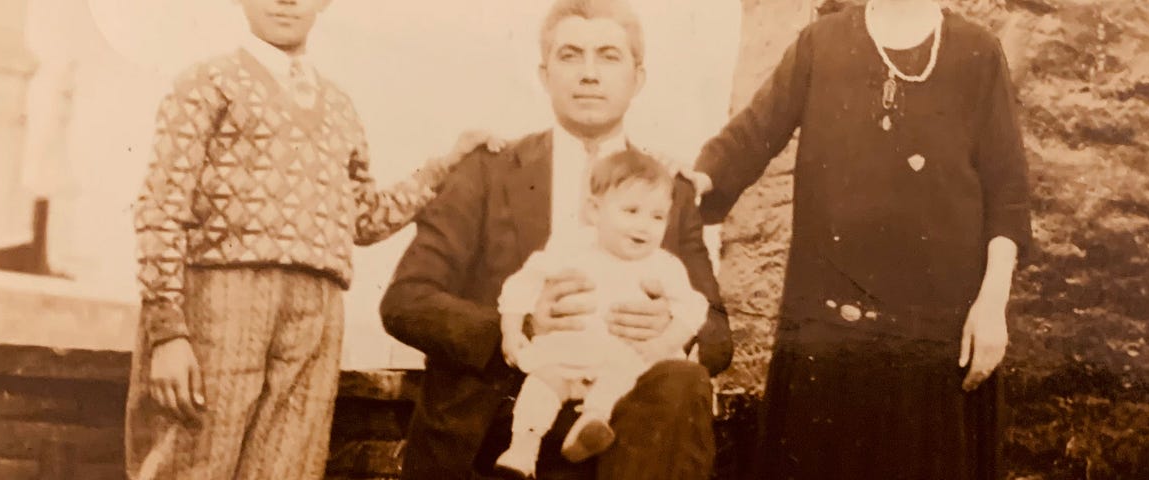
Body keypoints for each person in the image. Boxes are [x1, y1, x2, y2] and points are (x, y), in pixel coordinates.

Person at [123, 0, 498, 478]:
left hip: (316, 316)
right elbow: (161, 205)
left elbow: (362, 218)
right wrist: (168, 332)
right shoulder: (207, 83)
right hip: (221, 304)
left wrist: (443, 168)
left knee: (288, 469)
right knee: (192, 464)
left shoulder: (338, 107)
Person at [379, 0, 733, 478]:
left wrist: (669, 329)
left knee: (681, 381)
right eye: (570, 56)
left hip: (621, 429)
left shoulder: (667, 190)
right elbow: (406, 301)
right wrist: (522, 327)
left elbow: (715, 333)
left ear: (638, 78)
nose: (589, 74)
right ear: (544, 75)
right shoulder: (486, 172)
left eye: (608, 56)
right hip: (494, 429)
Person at [685, 0, 1034, 478]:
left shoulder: (977, 53)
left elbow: (1008, 194)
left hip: (935, 339)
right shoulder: (820, 43)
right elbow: (752, 134)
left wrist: (992, 306)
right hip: (830, 330)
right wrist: (699, 181)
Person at [492, 151, 711, 477]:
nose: (644, 226)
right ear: (595, 211)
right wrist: (512, 332)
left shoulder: (663, 265)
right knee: (542, 382)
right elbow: (520, 287)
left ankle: (590, 425)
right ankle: (522, 450)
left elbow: (693, 309)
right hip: (570, 353)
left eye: (657, 217)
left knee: (619, 379)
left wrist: (663, 345)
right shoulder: (571, 249)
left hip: (624, 357)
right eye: (631, 211)